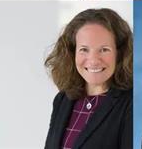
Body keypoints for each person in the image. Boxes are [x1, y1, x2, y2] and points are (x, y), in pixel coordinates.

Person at [44, 8, 132, 149]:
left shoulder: (131, 104)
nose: (93, 61)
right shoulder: (62, 100)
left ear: (119, 53)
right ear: (72, 53)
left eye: (104, 49)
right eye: (84, 49)